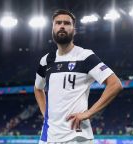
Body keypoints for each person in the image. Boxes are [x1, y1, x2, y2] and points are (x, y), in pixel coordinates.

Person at [34, 9, 123, 144]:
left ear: (74, 30)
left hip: (77, 138)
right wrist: (46, 114)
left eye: (67, 23)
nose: (62, 26)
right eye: (58, 23)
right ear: (53, 28)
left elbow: (115, 84)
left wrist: (88, 113)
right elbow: (37, 89)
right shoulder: (46, 60)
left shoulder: (85, 56)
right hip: (48, 137)